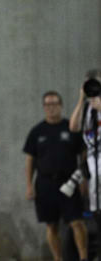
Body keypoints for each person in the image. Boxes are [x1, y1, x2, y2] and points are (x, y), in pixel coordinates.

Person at [24, 91, 88, 261]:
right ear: (44, 107)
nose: (51, 108)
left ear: (61, 105)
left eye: (54, 104)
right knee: (51, 225)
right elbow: (30, 160)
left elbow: (84, 154)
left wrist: (83, 180)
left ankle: (83, 257)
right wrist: (29, 186)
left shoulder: (72, 128)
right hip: (45, 184)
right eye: (47, 105)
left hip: (70, 182)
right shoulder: (37, 131)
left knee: (77, 222)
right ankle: (58, 258)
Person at [70, 69, 101, 259]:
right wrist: (82, 98)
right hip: (91, 158)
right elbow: (73, 126)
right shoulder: (88, 107)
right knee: (95, 203)